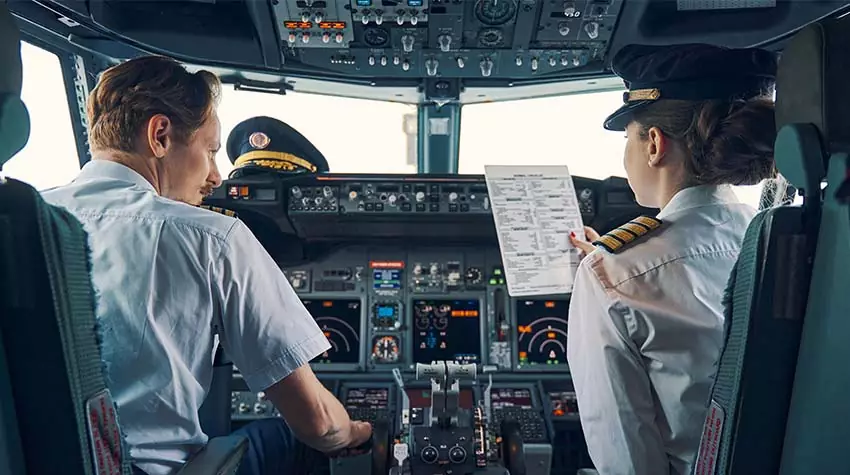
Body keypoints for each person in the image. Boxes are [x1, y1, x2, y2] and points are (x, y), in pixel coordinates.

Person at [40, 55, 371, 475]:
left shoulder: (23, 219)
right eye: (211, 151)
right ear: (159, 135)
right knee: (296, 440)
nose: (216, 177)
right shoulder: (212, 237)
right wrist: (361, 435)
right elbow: (320, 423)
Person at [566, 43, 778, 475]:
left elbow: (626, 461)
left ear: (654, 145)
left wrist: (608, 274)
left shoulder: (612, 276)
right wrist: (618, 268)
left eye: (628, 137)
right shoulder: (784, 244)